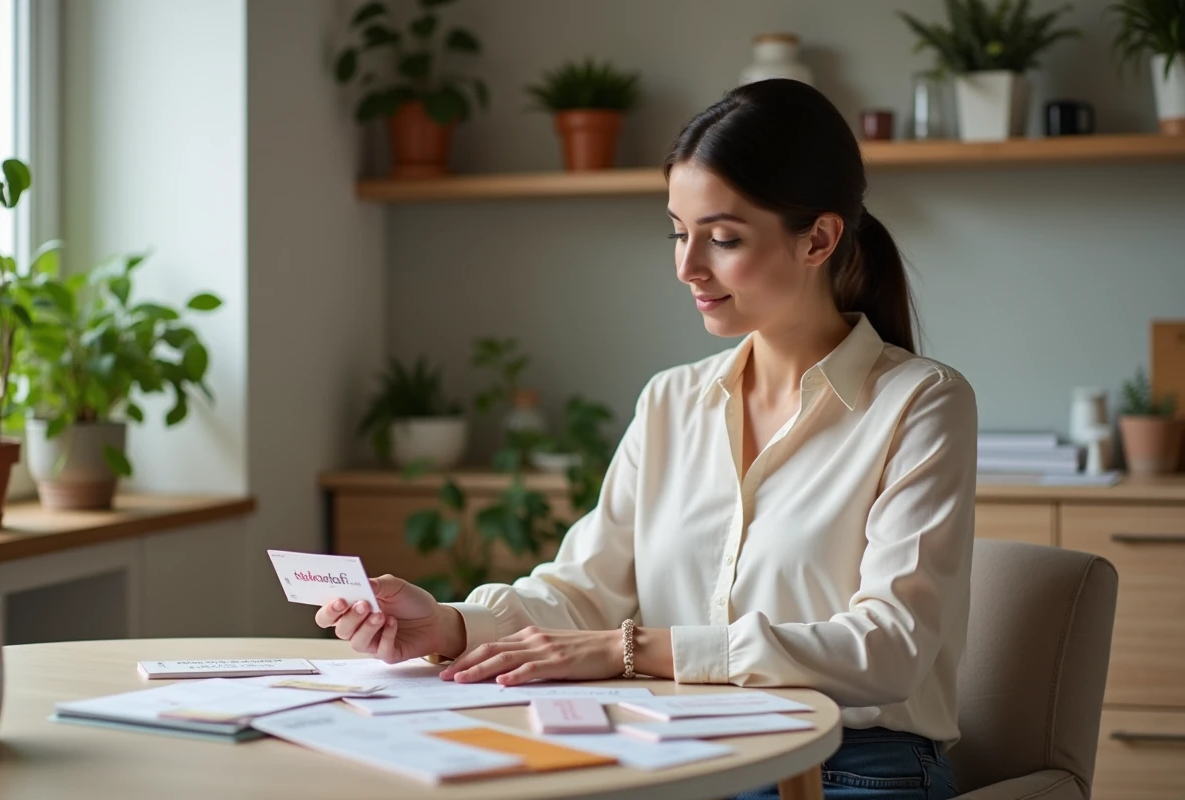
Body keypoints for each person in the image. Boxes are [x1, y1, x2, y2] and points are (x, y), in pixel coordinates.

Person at [316, 78, 975, 800]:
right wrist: (446, 625)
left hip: (854, 763)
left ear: (818, 238)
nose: (687, 267)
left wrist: (631, 650)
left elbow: (891, 648)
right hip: (683, 751)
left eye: (722, 239)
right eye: (678, 232)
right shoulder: (671, 401)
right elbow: (584, 589)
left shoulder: (920, 403)